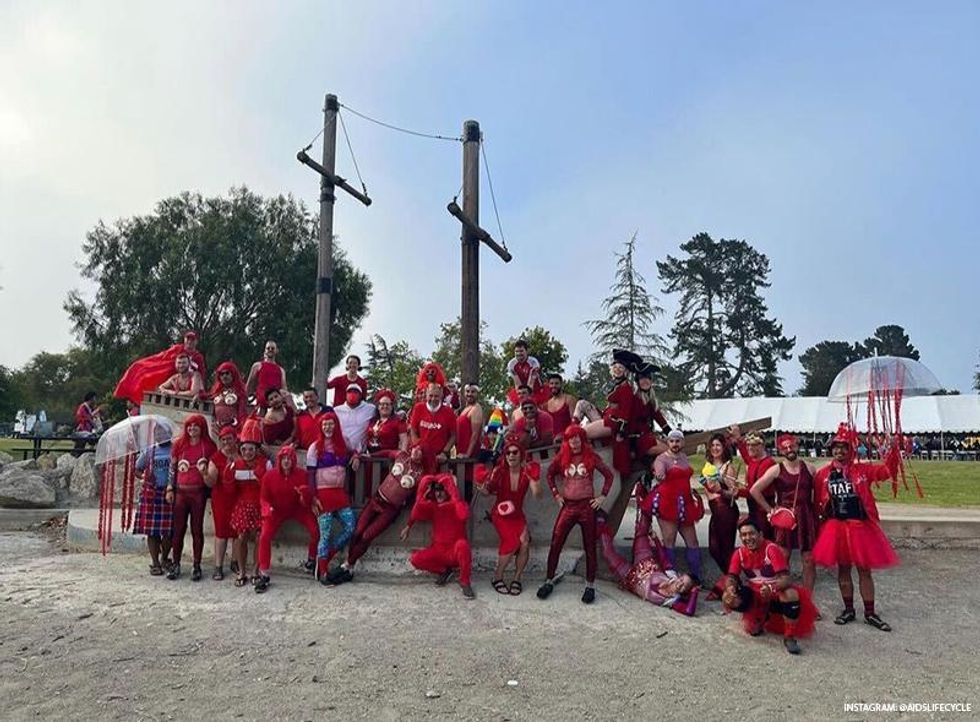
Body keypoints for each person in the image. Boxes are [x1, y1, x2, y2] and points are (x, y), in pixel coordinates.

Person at [812, 423, 900, 632]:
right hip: (836, 527)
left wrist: (893, 451)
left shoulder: (862, 470)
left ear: (851, 449)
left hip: (860, 527)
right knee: (843, 569)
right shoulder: (823, 474)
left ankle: (870, 612)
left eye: (844, 447)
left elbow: (886, 472)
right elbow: (817, 501)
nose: (839, 451)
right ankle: (848, 609)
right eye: (836, 447)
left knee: (864, 570)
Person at [329, 445, 428, 585]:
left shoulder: (420, 474)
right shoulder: (401, 456)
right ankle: (349, 567)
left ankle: (347, 565)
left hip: (391, 509)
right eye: (415, 448)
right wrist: (371, 456)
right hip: (377, 499)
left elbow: (418, 498)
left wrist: (409, 524)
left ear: (424, 456)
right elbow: (387, 452)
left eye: (420, 451)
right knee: (357, 531)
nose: (416, 451)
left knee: (367, 536)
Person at [537, 425, 614, 604]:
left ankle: (590, 585)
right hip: (568, 506)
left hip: (587, 507)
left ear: (582, 439)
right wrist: (556, 494)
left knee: (590, 546)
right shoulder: (562, 456)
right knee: (556, 542)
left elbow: (609, 475)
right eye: (570, 438)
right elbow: (549, 474)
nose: (574, 441)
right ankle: (549, 579)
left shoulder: (591, 456)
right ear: (567, 440)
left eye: (577, 437)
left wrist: (602, 496)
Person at [723, 519, 819, 655]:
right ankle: (763, 617)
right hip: (755, 594)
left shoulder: (771, 549)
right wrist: (730, 588)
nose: (748, 538)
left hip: (774, 591)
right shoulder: (739, 553)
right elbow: (731, 577)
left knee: (791, 594)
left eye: (751, 533)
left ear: (760, 534)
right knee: (730, 599)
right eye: (744, 535)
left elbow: (786, 579)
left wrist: (771, 588)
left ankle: (789, 637)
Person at [597, 502, 699, 615]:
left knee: (607, 553)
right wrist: (655, 539)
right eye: (681, 579)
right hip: (645, 561)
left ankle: (599, 520)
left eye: (684, 586)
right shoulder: (672, 575)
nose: (679, 583)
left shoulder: (671, 601)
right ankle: (647, 498)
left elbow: (689, 611)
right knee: (642, 531)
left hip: (629, 576)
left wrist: (694, 592)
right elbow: (663, 558)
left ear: (685, 592)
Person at [475, 434, 542, 595]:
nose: (511, 455)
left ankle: (517, 578)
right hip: (500, 514)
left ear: (521, 454)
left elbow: (537, 495)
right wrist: (481, 487)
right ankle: (497, 577)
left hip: (517, 514)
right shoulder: (499, 471)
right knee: (512, 542)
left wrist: (534, 480)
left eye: (515, 452)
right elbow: (488, 491)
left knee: (524, 542)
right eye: (508, 453)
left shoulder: (526, 472)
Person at [750, 434, 818, 592]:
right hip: (785, 517)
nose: (789, 450)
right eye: (784, 448)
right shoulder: (776, 470)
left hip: (806, 516)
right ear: (780, 451)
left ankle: (807, 598)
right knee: (782, 558)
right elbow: (754, 490)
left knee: (809, 560)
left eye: (791, 446)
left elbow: (817, 493)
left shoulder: (810, 468)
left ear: (797, 446)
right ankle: (783, 596)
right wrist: (770, 510)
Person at [639, 429, 703, 583]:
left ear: (683, 442)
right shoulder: (661, 459)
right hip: (667, 503)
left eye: (678, 441)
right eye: (672, 441)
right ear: (667, 442)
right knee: (669, 540)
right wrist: (659, 474)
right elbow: (659, 472)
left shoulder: (684, 457)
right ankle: (671, 579)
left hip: (685, 503)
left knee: (693, 542)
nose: (675, 444)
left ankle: (696, 578)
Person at [254, 445, 320, 593]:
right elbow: (263, 498)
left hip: (298, 509)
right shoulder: (269, 476)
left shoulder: (302, 475)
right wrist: (267, 510)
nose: (286, 461)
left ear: (294, 460)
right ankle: (264, 573)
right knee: (264, 536)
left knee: (315, 530)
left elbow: (307, 500)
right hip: (276, 511)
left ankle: (311, 559)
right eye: (283, 458)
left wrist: (304, 495)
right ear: (279, 460)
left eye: (289, 458)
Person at [402, 473, 475, 599]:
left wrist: (453, 493)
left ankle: (464, 581)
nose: (439, 493)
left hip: (454, 551)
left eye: (442, 490)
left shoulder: (458, 504)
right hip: (439, 551)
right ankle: (444, 571)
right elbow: (417, 511)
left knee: (463, 545)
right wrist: (423, 488)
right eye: (436, 490)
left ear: (449, 491)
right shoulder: (433, 506)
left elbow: (463, 515)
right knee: (415, 559)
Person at [164, 414, 216, 582]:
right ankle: (176, 563)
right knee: (178, 529)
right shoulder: (179, 444)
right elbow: (172, 468)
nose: (192, 429)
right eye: (189, 426)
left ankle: (196, 564)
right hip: (181, 492)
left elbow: (213, 469)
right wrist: (170, 488)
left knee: (197, 529)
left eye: (196, 425)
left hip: (198, 493)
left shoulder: (209, 446)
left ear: (202, 428)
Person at [307, 412, 356, 581]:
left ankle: (326, 557)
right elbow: (310, 475)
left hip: (340, 494)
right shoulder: (314, 447)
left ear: (336, 425)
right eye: (325, 424)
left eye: (331, 423)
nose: (328, 427)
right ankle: (323, 572)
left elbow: (354, 451)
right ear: (321, 427)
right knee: (325, 534)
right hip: (323, 495)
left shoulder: (344, 442)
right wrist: (313, 498)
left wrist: (356, 456)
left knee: (351, 526)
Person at [699, 433, 741, 600]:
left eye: (718, 445)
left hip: (726, 509)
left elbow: (734, 493)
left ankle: (732, 584)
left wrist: (720, 489)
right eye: (713, 445)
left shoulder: (728, 467)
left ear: (724, 448)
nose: (715, 448)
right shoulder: (708, 465)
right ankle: (732, 581)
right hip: (715, 509)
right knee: (714, 549)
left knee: (725, 549)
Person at [113, 330, 205, 406]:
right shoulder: (177, 349)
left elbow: (201, 376)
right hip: (173, 384)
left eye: (192, 339)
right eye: (188, 339)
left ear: (196, 341)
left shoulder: (198, 359)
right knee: (142, 373)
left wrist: (200, 392)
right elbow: (162, 358)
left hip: (188, 389)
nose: (189, 341)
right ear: (184, 339)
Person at [229, 419, 270, 587]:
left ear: (257, 449)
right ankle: (241, 571)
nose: (247, 452)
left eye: (251, 449)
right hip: (242, 505)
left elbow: (270, 487)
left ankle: (255, 570)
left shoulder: (265, 464)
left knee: (260, 537)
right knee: (241, 537)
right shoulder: (235, 464)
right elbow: (229, 488)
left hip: (260, 505)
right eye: (244, 449)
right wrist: (227, 475)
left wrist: (262, 477)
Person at [132, 427, 173, 576]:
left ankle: (165, 558)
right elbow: (137, 469)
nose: (161, 435)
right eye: (157, 433)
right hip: (151, 495)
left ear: (170, 434)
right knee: (152, 531)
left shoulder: (176, 450)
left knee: (170, 531)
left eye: (164, 433)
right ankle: (155, 562)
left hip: (169, 494)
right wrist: (144, 477)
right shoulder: (149, 451)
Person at [729, 425, 777, 540]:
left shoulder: (767, 464)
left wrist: (739, 492)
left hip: (763, 509)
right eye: (748, 445)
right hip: (754, 508)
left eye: (754, 445)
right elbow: (745, 453)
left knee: (763, 539)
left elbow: (756, 491)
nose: (750, 447)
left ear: (762, 446)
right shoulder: (753, 459)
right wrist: (738, 438)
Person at [205, 426, 240, 580]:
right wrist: (205, 473)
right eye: (223, 439)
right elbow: (211, 482)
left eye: (229, 439)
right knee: (221, 532)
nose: (226, 442)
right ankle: (218, 566)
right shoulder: (216, 458)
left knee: (238, 532)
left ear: (235, 439)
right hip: (221, 499)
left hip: (239, 498)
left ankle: (235, 561)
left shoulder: (241, 455)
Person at [627, 363, 670, 461]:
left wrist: (670, 432)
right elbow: (630, 422)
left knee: (671, 445)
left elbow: (659, 418)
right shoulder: (634, 399)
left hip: (647, 437)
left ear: (651, 381)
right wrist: (632, 446)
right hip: (637, 441)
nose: (645, 381)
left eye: (647, 378)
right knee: (669, 451)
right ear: (638, 382)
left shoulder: (650, 400)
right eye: (642, 379)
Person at [409, 383, 457, 472]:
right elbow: (413, 430)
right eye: (431, 396)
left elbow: (453, 436)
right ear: (426, 395)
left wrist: (445, 452)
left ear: (441, 395)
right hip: (421, 457)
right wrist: (417, 447)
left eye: (436, 396)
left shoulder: (449, 412)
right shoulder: (418, 408)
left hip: (439, 458)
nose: (433, 399)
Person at [334, 384, 376, 470]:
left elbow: (385, 413)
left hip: (361, 455)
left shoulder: (370, 409)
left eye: (355, 392)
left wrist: (401, 414)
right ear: (346, 394)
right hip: (341, 453)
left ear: (360, 395)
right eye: (350, 392)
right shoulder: (337, 410)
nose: (352, 394)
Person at [246, 340, 289, 410]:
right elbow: (249, 385)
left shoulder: (281, 370)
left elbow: (284, 388)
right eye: (268, 348)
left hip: (276, 399)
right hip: (262, 398)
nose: (270, 350)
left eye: (272, 348)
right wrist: (245, 400)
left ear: (276, 351)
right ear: (265, 350)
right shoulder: (257, 365)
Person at [365, 389, 407, 457]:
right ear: (378, 406)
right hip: (370, 458)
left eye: (387, 404)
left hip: (389, 458)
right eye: (382, 404)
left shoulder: (398, 421)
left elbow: (404, 441)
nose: (385, 406)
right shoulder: (372, 420)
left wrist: (402, 456)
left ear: (392, 406)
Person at [209, 361, 248, 431]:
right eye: (222, 374)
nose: (224, 376)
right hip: (217, 427)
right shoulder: (216, 391)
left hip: (233, 428)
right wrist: (199, 395)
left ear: (233, 374)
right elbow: (208, 396)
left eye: (227, 373)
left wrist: (242, 427)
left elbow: (242, 413)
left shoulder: (239, 392)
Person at [505, 339, 544, 405]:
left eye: (521, 351)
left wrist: (528, 398)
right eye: (516, 351)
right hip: (521, 389)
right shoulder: (511, 364)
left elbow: (531, 382)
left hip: (536, 390)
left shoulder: (534, 362)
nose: (519, 354)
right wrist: (521, 397)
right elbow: (517, 383)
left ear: (527, 351)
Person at [541, 373, 576, 439]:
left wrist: (565, 435)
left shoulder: (569, 399)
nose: (554, 386)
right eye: (551, 383)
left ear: (561, 384)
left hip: (568, 437)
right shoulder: (545, 405)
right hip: (551, 441)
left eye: (556, 383)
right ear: (548, 385)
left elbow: (574, 422)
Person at [455, 383, 485, 458]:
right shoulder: (466, 408)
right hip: (460, 450)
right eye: (467, 391)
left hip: (470, 454)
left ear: (477, 394)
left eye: (473, 392)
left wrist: (467, 455)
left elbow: (475, 434)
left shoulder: (476, 409)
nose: (469, 394)